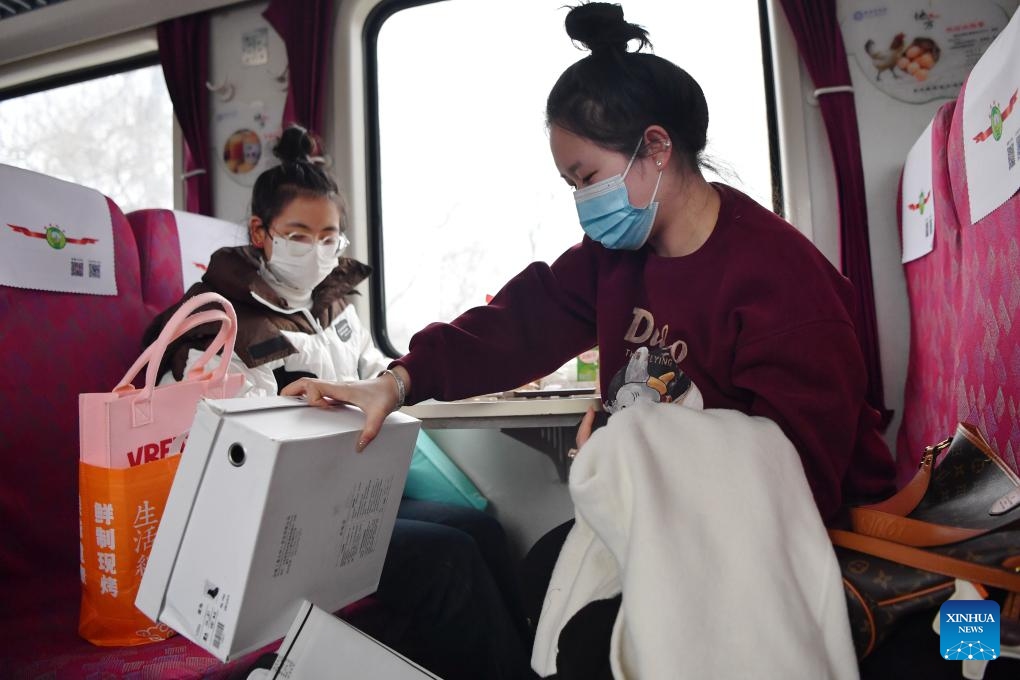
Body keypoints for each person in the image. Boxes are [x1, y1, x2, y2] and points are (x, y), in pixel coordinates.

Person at [282, 1, 898, 673]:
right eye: (570, 184)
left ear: (655, 149)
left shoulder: (779, 279)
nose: (582, 201)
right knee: (541, 572)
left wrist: (632, 445)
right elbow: (519, 323)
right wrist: (398, 380)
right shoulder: (616, 258)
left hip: (791, 524)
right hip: (684, 509)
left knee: (584, 635)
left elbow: (793, 471)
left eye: (587, 178)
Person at [143, 125, 532, 680]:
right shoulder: (217, 321)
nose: (317, 251)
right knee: (450, 558)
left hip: (341, 495)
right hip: (276, 518)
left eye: (329, 237)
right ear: (260, 232)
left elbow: (374, 374)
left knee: (480, 530)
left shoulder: (333, 308)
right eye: (299, 235)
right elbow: (228, 447)